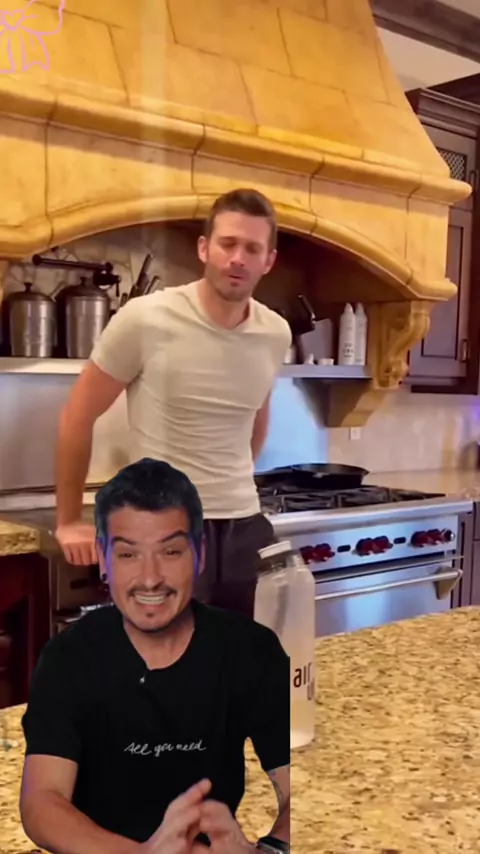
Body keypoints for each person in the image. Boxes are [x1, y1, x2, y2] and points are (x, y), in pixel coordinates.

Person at [20, 458, 290, 854]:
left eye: (171, 551)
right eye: (128, 555)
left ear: (199, 554)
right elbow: (42, 802)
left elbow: (299, 787)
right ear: (104, 560)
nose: (150, 579)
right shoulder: (68, 658)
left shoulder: (251, 650)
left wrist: (268, 850)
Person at [55, 188, 292, 619]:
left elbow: (256, 414)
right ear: (204, 248)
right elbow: (77, 415)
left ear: (268, 261)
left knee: (242, 654)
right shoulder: (145, 319)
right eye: (227, 243)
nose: (237, 258)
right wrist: (69, 520)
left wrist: (233, 482)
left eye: (252, 248)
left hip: (245, 529)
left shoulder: (275, 333)